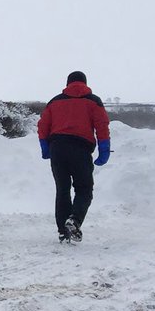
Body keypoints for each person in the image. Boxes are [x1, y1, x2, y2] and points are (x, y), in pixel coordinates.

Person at [37, 71, 111, 243]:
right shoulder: (93, 101)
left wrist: (45, 147)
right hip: (80, 148)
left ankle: (63, 232)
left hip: (58, 147)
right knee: (84, 189)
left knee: (62, 189)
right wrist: (104, 149)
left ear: (67, 83)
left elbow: (43, 126)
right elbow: (102, 125)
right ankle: (74, 220)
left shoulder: (54, 102)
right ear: (85, 83)